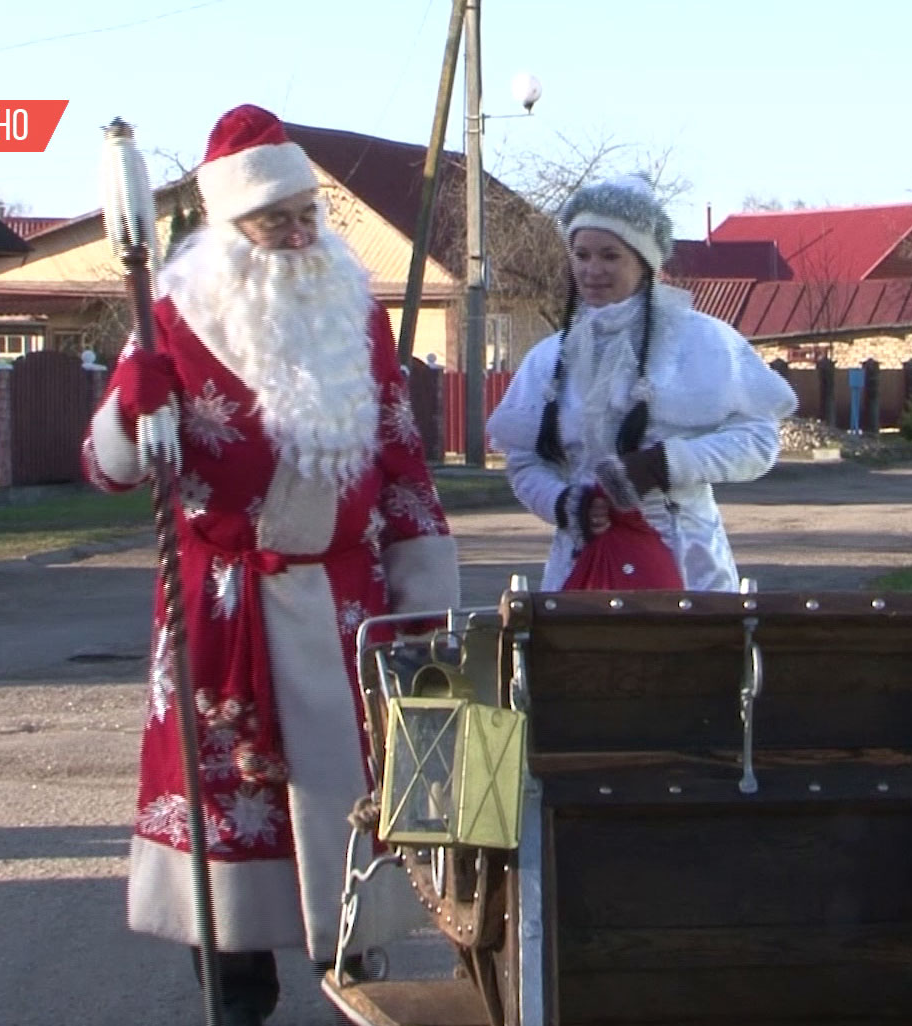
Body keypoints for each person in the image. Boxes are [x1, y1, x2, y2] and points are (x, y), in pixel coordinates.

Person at [81, 104, 459, 1026]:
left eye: (305, 216)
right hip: (222, 606)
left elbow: (402, 455)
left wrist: (424, 595)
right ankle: (237, 998)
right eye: (273, 220)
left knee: (352, 803)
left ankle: (359, 980)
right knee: (229, 805)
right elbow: (107, 473)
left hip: (343, 606)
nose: (295, 235)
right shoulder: (170, 318)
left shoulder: (355, 316)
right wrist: (133, 409)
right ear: (230, 229)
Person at [485, 175, 796, 591]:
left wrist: (666, 464)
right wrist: (566, 505)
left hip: (689, 567)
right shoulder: (550, 356)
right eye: (581, 255)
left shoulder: (702, 340)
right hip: (582, 566)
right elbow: (524, 462)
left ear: (645, 262)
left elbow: (758, 442)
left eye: (610, 256)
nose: (592, 270)